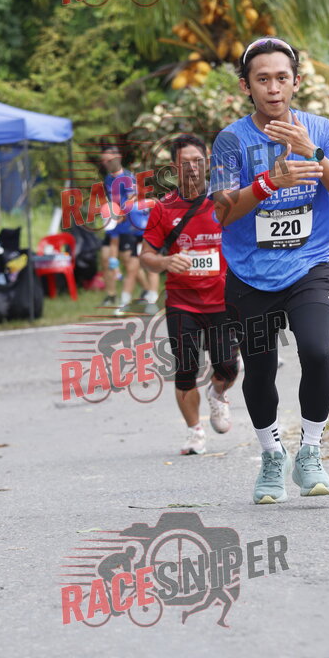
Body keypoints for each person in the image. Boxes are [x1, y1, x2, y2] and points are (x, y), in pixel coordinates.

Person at [210, 37, 329, 504]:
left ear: (296, 82)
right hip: (250, 274)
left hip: (310, 264)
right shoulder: (231, 140)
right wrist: (269, 182)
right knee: (260, 370)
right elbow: (222, 213)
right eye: (262, 79)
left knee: (316, 352)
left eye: (281, 78)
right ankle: (272, 456)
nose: (273, 88)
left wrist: (313, 154)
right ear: (246, 86)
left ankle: (310, 452)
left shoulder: (321, 130)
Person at [140, 134, 239, 456]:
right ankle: (194, 431)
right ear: (174, 167)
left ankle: (217, 392)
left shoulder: (225, 200)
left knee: (228, 366)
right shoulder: (163, 208)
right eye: (185, 163)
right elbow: (146, 256)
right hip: (182, 302)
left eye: (198, 161)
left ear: (207, 162)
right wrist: (166, 262)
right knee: (185, 369)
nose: (193, 168)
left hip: (223, 300)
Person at [99, 145, 159, 314]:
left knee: (149, 267)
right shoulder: (108, 181)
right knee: (131, 268)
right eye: (103, 161)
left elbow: (147, 203)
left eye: (108, 160)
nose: (105, 163)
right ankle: (124, 303)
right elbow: (113, 239)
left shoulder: (129, 183)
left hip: (145, 232)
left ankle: (152, 301)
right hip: (130, 231)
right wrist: (113, 261)